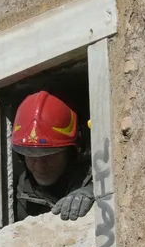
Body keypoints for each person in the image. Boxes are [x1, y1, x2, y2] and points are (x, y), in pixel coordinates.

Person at [11, 91, 95, 222]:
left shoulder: (96, 175)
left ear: (70, 152)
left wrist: (95, 191)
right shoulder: (20, 192)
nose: (39, 166)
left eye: (48, 156)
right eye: (31, 157)